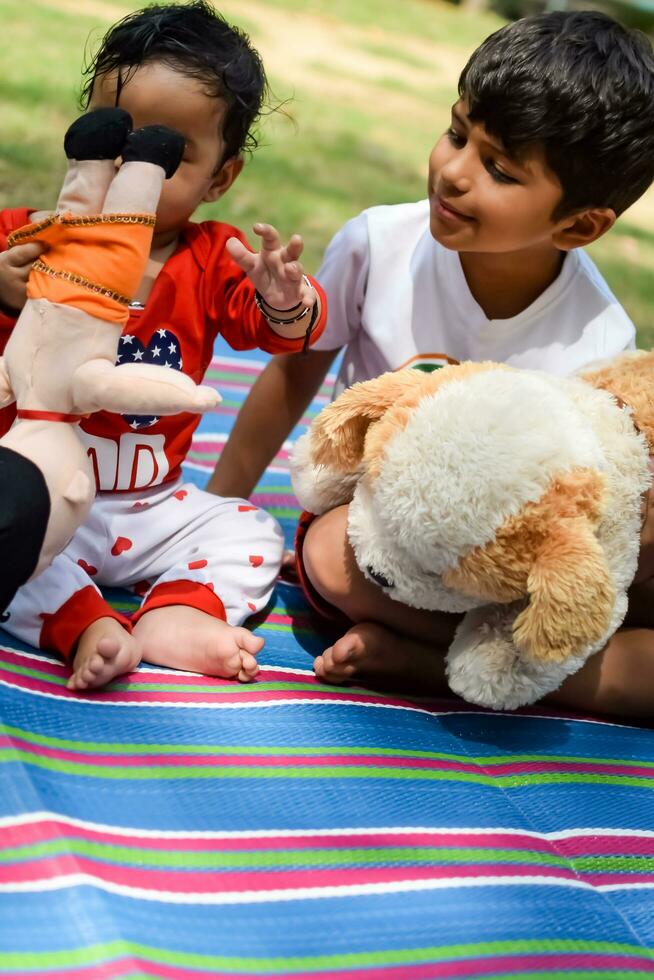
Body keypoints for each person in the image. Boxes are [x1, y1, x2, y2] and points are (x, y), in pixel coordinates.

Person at [211, 11, 654, 717]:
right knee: (327, 555)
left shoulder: (596, 336)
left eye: (499, 168)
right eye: (456, 132)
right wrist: (219, 505)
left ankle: (444, 664)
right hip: (376, 536)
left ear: (578, 225)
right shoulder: (377, 245)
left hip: (500, 573)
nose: (451, 172)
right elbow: (295, 373)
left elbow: (580, 512)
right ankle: (497, 673)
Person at [0, 1, 326, 691]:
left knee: (249, 530)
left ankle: (178, 614)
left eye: (166, 153)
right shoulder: (28, 240)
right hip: (42, 498)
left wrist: (283, 297)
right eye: (113, 136)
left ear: (220, 178)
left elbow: (285, 330)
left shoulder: (212, 259)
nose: (128, 165)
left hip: (151, 506)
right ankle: (82, 622)